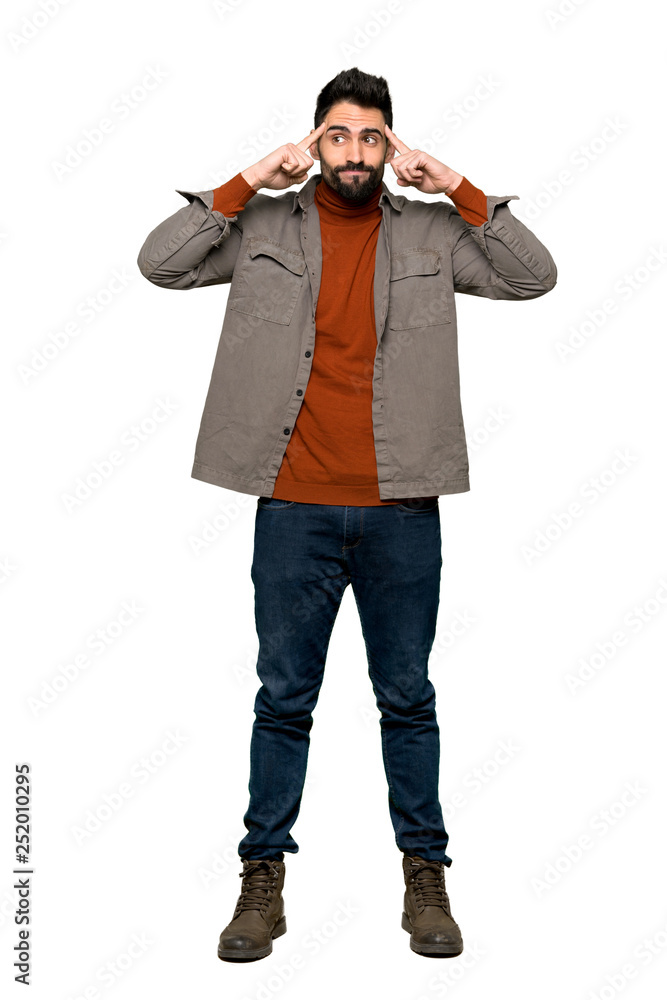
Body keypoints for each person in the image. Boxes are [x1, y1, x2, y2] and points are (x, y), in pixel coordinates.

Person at [137, 67, 557, 961]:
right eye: (338, 135)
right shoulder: (260, 225)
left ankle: (425, 878)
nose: (354, 152)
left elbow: (534, 278)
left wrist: (458, 185)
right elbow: (160, 263)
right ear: (314, 142)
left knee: (406, 699)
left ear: (390, 146)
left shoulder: (435, 232)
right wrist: (250, 176)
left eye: (371, 137)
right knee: (283, 700)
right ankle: (261, 881)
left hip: (402, 508)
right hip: (293, 506)